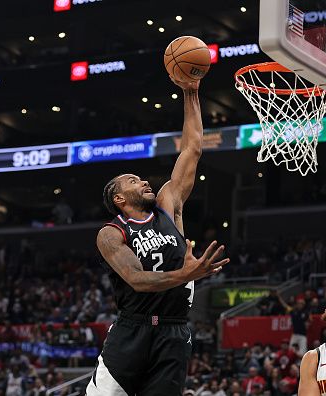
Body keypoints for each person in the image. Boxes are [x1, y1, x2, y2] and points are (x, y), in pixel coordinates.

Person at [86, 77, 230, 396]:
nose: (143, 182)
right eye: (133, 181)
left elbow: (192, 148)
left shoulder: (168, 205)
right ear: (120, 199)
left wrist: (190, 90)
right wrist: (186, 274)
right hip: (131, 329)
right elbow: (137, 279)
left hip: (173, 329)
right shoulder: (111, 234)